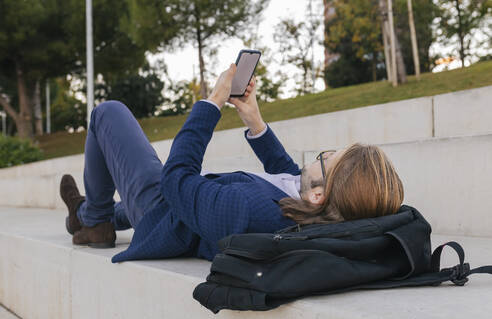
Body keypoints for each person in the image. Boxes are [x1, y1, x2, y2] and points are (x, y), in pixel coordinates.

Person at [60, 64, 404, 262]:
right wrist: (254, 119)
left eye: (326, 159)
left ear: (319, 195)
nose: (321, 155)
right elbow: (287, 175)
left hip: (163, 210)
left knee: (108, 113)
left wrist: (212, 102)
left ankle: (94, 219)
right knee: (112, 204)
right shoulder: (317, 207)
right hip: (188, 203)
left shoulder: (245, 210)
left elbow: (177, 180)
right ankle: (88, 212)